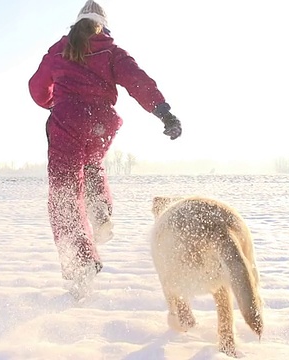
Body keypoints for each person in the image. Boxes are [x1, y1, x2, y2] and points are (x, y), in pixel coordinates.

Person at [28, 0, 182, 293]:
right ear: (104, 26)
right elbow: (138, 81)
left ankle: (81, 260)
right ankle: (100, 212)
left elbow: (37, 89)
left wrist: (53, 103)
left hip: (67, 121)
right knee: (92, 167)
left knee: (65, 191)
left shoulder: (58, 50)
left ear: (77, 23)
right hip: (101, 122)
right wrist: (164, 112)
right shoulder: (112, 51)